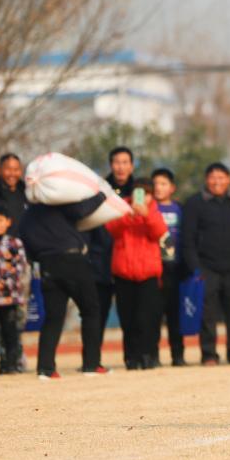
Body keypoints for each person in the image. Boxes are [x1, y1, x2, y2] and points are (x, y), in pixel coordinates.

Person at [19, 193, 110, 379]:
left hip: (47, 265)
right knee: (91, 311)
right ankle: (91, 365)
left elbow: (26, 246)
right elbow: (83, 210)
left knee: (53, 317)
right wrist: (101, 195)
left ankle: (45, 369)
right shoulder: (58, 205)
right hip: (73, 261)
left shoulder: (26, 217)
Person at [183, 163, 230, 365]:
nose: (217, 182)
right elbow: (188, 238)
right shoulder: (195, 203)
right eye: (212, 178)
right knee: (207, 313)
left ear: (229, 179)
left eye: (221, 177)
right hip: (206, 267)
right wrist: (195, 267)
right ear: (206, 180)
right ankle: (209, 353)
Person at [105, 177, 167, 370]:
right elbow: (111, 230)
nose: (143, 197)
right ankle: (131, 357)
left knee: (148, 318)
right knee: (128, 318)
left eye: (147, 193)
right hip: (124, 272)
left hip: (148, 273)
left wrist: (146, 214)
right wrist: (129, 216)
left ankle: (149, 355)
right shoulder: (122, 208)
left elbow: (160, 232)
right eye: (139, 193)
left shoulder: (154, 210)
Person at [91, 146, 136, 341]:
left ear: (132, 166)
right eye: (117, 162)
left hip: (129, 259)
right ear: (111, 165)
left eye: (125, 163)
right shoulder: (100, 191)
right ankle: (93, 359)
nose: (121, 167)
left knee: (131, 314)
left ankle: (133, 357)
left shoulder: (139, 191)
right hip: (101, 259)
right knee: (98, 312)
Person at [0, 209, 28, 376]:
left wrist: (4, 283)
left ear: (8, 222)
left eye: (1, 220)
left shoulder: (15, 244)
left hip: (10, 297)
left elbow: (20, 267)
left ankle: (10, 365)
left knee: (10, 333)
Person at [152, 168, 187, 366]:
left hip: (175, 268)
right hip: (154, 269)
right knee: (154, 315)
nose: (159, 188)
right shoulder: (148, 210)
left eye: (163, 184)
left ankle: (178, 355)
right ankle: (153, 356)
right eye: (155, 184)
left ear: (172, 188)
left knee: (175, 315)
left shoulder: (180, 209)